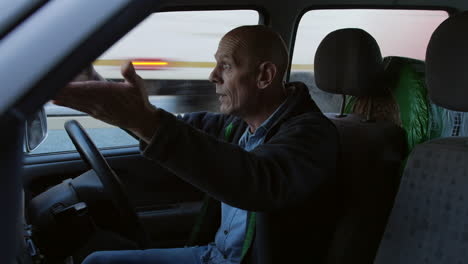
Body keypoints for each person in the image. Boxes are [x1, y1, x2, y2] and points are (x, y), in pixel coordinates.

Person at [54, 25, 339, 264]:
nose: (212, 75)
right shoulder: (238, 124)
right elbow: (172, 130)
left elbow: (259, 181)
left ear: (264, 76)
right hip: (215, 255)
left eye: (225, 66)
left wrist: (144, 121)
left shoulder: (313, 134)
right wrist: (97, 86)